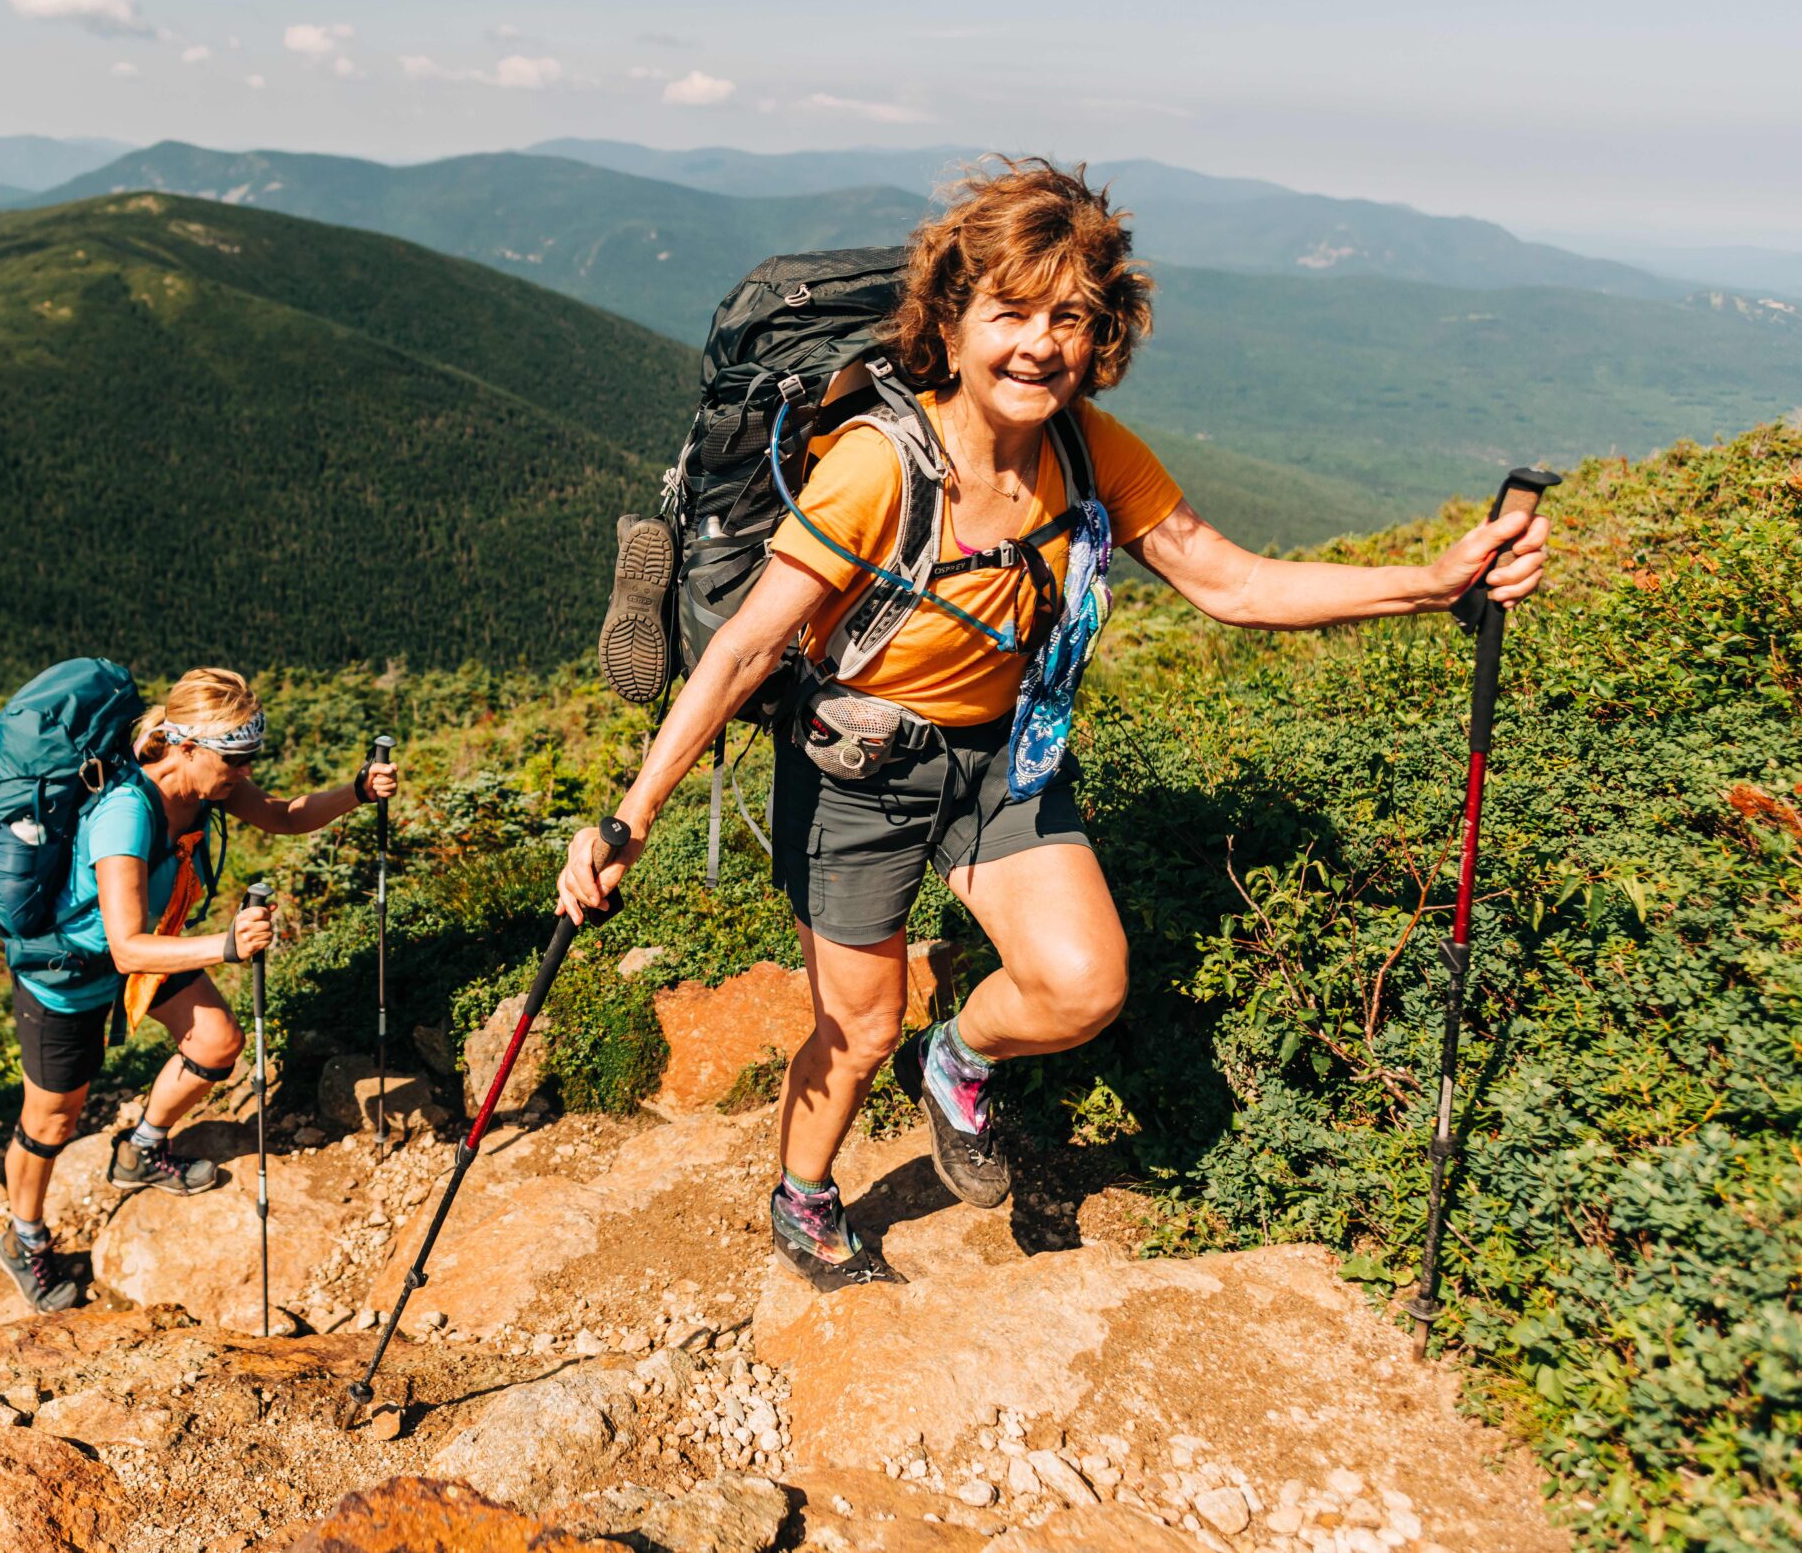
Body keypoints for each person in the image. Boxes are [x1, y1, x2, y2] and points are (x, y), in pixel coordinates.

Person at [560, 159, 1550, 1286]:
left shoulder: (1088, 450)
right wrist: (629, 819)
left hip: (1001, 755)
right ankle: (806, 1195)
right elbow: (741, 651)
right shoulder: (879, 470)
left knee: (1081, 985)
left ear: (1102, 333)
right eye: (1011, 313)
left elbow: (1230, 585)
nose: (1040, 344)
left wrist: (1428, 582)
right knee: (856, 1029)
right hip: (858, 772)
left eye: (1070, 317)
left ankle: (961, 1059)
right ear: (949, 320)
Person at [0, 667, 400, 1313]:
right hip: (69, 970)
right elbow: (124, 946)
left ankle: (142, 1146)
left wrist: (355, 790)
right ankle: (24, 1237)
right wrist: (227, 946)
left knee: (216, 1041)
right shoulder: (126, 813)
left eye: (249, 757)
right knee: (53, 1117)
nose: (244, 771)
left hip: (155, 941)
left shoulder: (206, 787)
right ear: (185, 747)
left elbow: (281, 816)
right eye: (234, 757)